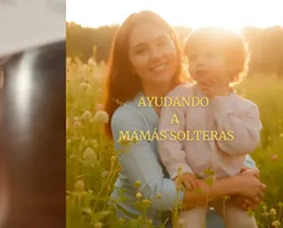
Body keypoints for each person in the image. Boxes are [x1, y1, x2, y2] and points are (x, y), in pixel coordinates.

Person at [104, 12, 265, 225]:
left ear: (175, 46)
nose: (156, 55)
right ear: (130, 64)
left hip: (199, 204)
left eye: (162, 43)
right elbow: (155, 194)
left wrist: (249, 173)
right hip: (145, 220)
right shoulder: (127, 118)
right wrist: (236, 185)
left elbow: (228, 145)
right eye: (141, 50)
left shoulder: (203, 93)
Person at [157, 26, 261, 227]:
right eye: (194, 57)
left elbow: (239, 146)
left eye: (210, 55)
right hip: (194, 184)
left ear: (233, 63)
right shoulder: (180, 97)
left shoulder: (246, 109)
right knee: (188, 223)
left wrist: (220, 102)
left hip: (231, 189)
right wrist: (180, 170)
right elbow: (169, 137)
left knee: (245, 223)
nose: (200, 62)